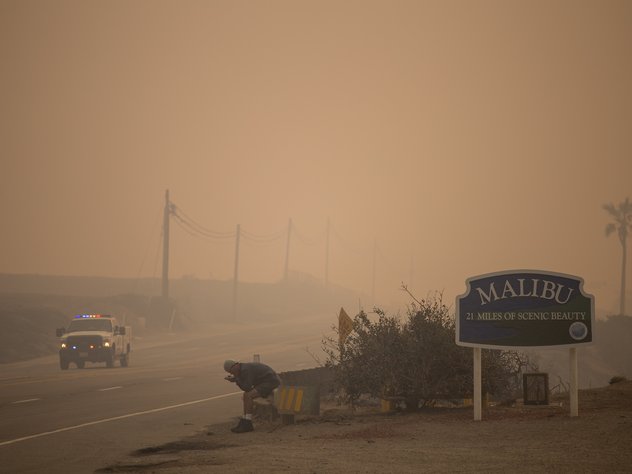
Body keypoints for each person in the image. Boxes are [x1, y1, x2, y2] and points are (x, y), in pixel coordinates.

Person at [223, 359, 281, 433]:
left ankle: (248, 422)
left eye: (232, 371)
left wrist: (237, 379)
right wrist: (235, 378)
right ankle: (245, 420)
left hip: (271, 382)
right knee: (245, 395)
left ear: (235, 366)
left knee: (248, 395)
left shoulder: (246, 370)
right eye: (231, 373)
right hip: (264, 382)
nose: (233, 373)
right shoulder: (243, 368)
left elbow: (246, 387)